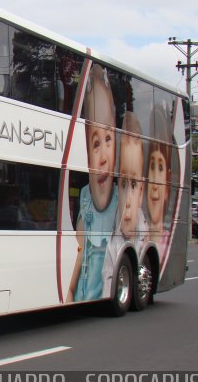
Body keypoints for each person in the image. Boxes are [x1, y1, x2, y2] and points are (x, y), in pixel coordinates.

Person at [67, 64, 118, 302]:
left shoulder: (120, 201)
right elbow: (78, 247)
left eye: (108, 138)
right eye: (96, 144)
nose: (103, 155)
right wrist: (68, 290)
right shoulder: (85, 195)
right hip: (81, 293)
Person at [103, 112, 148, 296]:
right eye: (123, 184)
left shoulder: (145, 233)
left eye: (134, 184)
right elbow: (106, 279)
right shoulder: (113, 240)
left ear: (142, 190)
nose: (128, 200)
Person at [146, 104, 173, 258]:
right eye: (152, 166)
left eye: (161, 168)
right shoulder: (134, 235)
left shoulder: (168, 245)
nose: (155, 183)